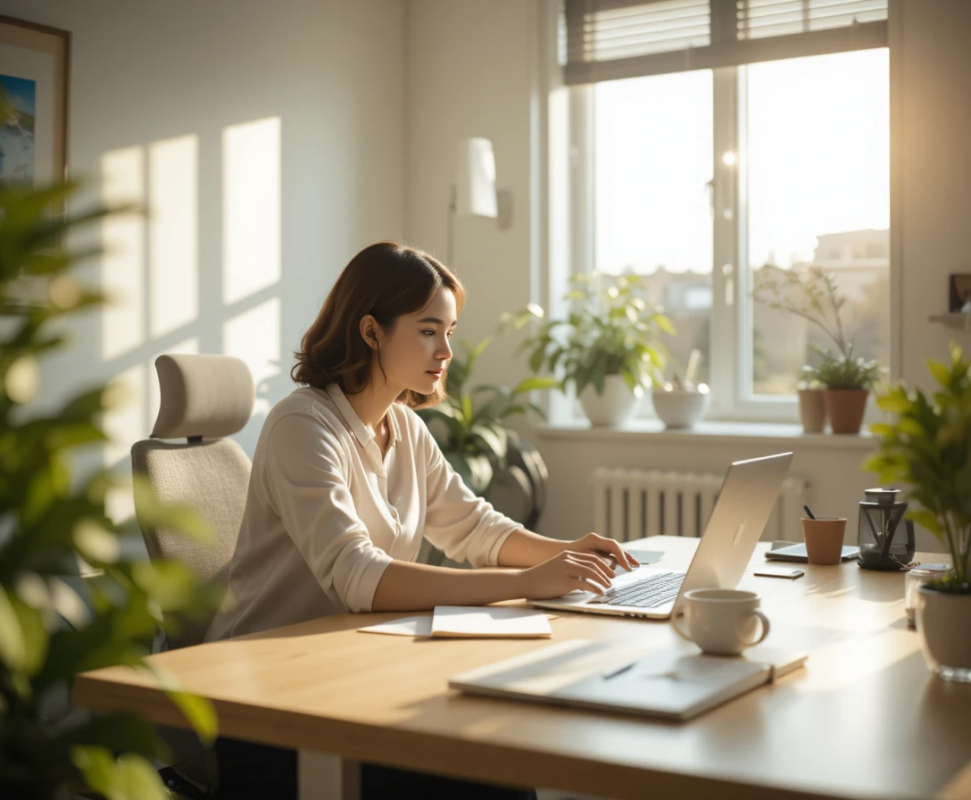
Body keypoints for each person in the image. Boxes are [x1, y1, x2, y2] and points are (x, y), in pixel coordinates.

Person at [206, 242, 638, 799]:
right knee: (487, 775)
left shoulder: (405, 429)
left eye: (450, 333)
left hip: (352, 673)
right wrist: (525, 583)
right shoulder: (302, 426)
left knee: (497, 762)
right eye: (429, 330)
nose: (445, 351)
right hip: (268, 701)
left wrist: (566, 551)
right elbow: (358, 576)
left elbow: (476, 528)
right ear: (371, 332)